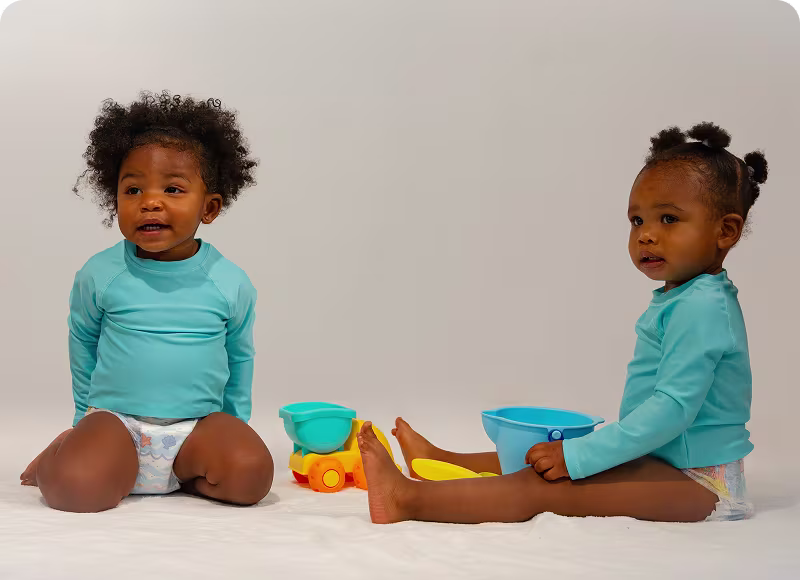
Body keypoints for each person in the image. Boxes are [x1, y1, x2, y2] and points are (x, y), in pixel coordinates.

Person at [356, 122, 768, 524]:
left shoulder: (701, 307)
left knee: (546, 483)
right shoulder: (686, 297)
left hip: (699, 481)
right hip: (665, 458)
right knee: (542, 456)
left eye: (669, 219)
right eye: (637, 221)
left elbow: (671, 411)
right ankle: (441, 462)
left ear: (725, 231)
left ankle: (407, 499)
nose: (645, 235)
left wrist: (577, 458)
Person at [20, 91, 274, 512]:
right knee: (74, 490)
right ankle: (62, 456)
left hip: (197, 429)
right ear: (113, 199)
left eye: (173, 189)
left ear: (209, 208)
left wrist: (232, 425)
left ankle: (185, 474)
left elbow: (239, 356)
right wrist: (84, 419)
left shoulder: (229, 282)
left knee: (252, 476)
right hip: (117, 424)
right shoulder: (101, 274)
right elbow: (82, 341)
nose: (150, 201)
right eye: (133, 189)